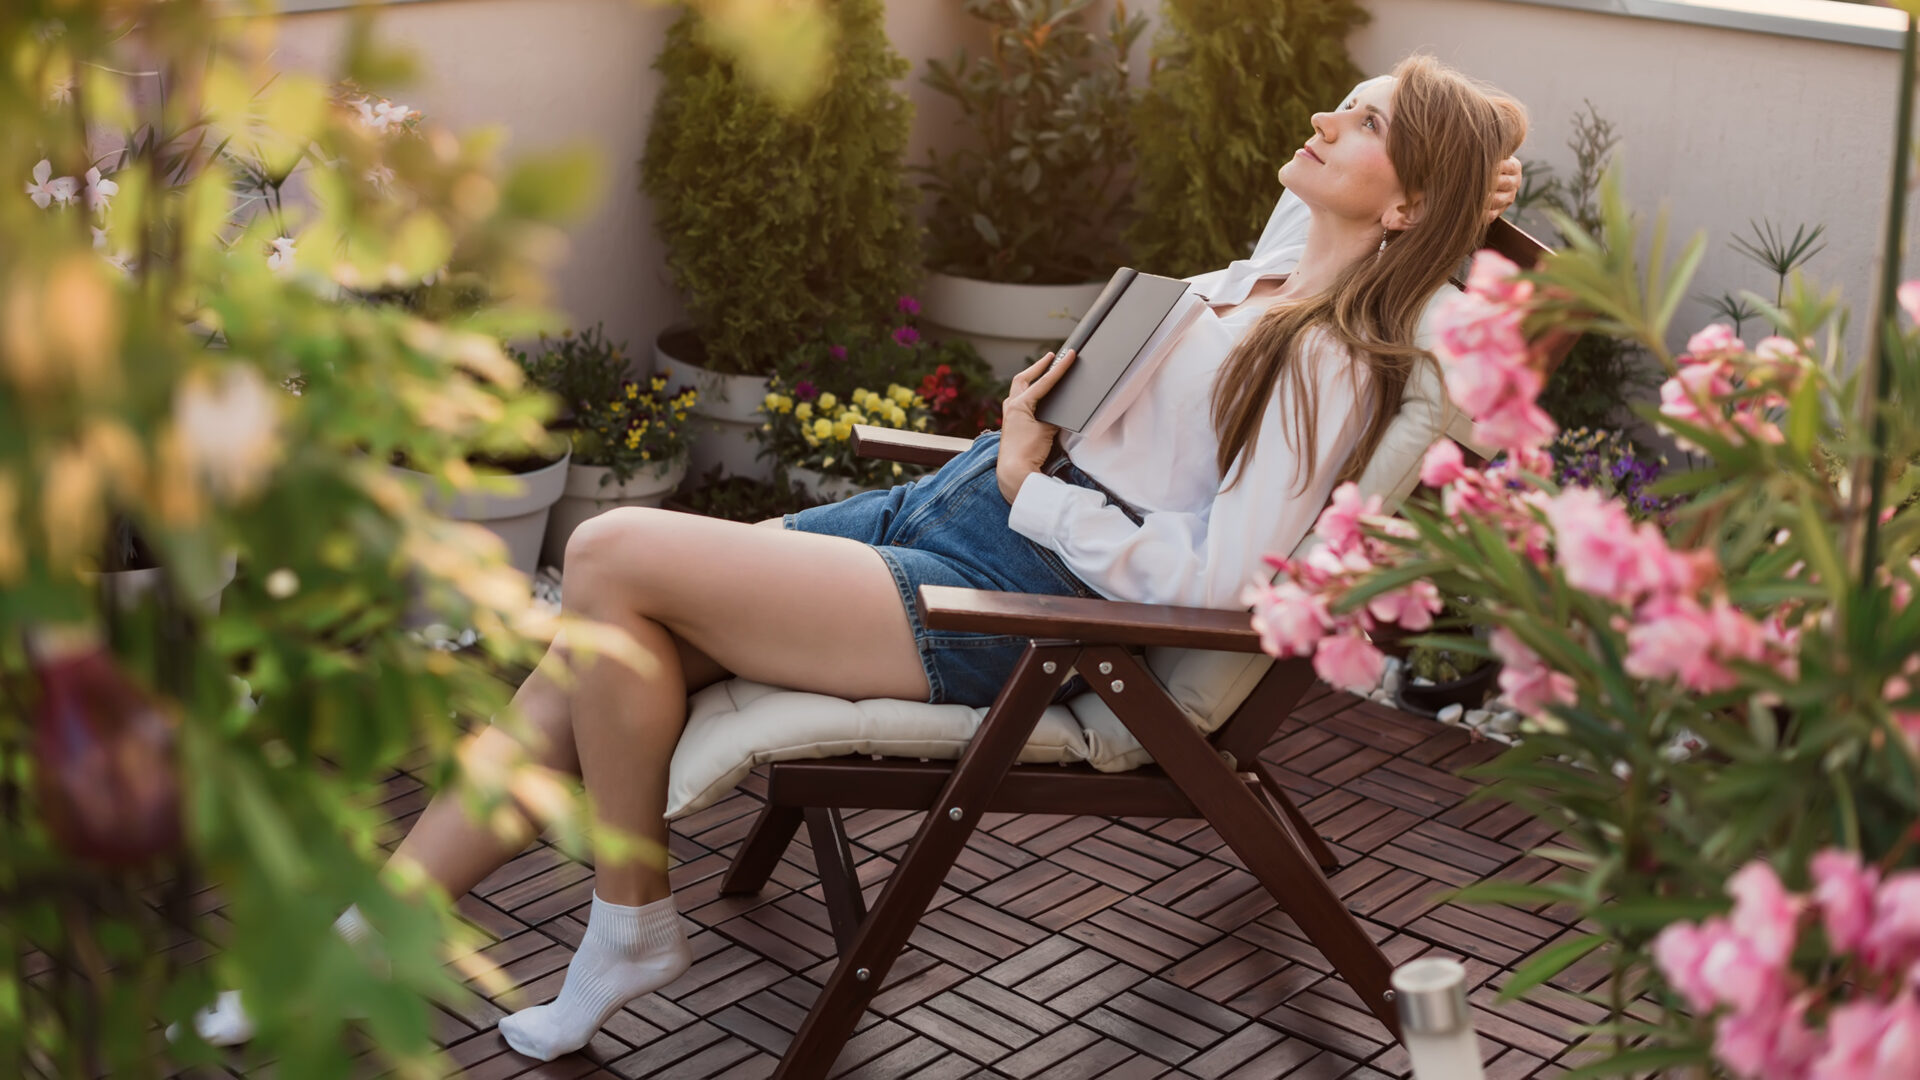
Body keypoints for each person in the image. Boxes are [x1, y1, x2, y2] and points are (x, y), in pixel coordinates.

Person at [180, 53, 1528, 1061]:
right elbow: (1372, 219)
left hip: (1016, 593)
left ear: (1403, 199)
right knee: (601, 641)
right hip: (953, 506)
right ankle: (385, 942)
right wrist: (1469, 177)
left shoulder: (1330, 363)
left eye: (1358, 125)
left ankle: (620, 916)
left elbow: (1211, 585)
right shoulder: (1272, 273)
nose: (1319, 122)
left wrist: (1028, 485)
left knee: (610, 553)